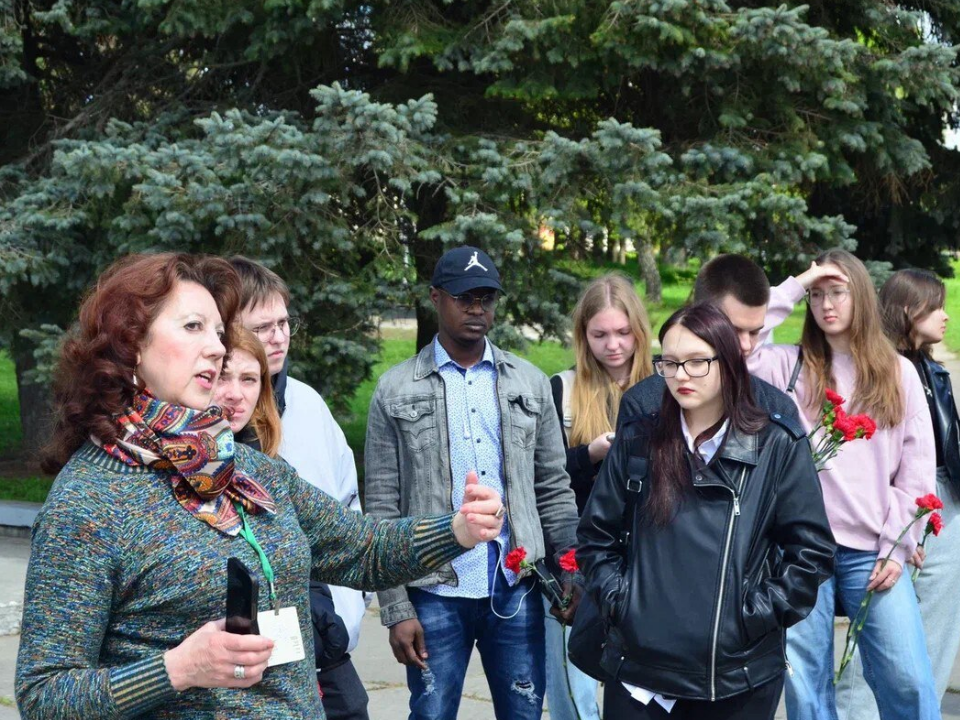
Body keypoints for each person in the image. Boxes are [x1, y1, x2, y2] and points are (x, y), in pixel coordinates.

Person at [15, 253, 505, 720]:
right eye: (193, 327)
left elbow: (363, 548)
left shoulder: (248, 469)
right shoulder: (90, 500)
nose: (216, 346)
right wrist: (179, 669)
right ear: (130, 346)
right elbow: (45, 694)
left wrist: (459, 529)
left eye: (218, 332)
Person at [578, 303, 835, 720]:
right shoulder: (639, 437)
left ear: (729, 362)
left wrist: (749, 617)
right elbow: (595, 537)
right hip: (641, 667)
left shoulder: (776, 443)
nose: (681, 375)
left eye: (697, 362)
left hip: (736, 675)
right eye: (670, 362)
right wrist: (624, 604)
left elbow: (811, 553)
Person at [364, 245, 582, 720]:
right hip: (433, 590)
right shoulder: (396, 388)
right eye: (464, 297)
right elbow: (381, 507)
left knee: (524, 711)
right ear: (435, 298)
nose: (477, 308)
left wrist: (570, 566)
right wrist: (396, 608)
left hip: (516, 584)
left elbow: (552, 486)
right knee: (431, 713)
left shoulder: (528, 382)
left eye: (486, 297)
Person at [746, 249, 939, 720]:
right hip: (797, 552)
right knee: (806, 692)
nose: (825, 304)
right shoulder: (784, 366)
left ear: (862, 298)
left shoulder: (898, 372)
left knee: (908, 679)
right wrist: (797, 281)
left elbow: (916, 470)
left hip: (870, 551)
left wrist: (898, 545)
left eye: (837, 292)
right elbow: (732, 349)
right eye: (816, 295)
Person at [228, 256, 370, 720]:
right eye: (263, 325)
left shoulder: (307, 404)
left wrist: (347, 612)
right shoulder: (213, 423)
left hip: (324, 638)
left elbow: (348, 506)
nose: (279, 336)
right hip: (249, 657)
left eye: (284, 322)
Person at [836, 269, 960, 719]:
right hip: (893, 509)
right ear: (909, 309)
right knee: (880, 630)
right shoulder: (877, 370)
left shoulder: (934, 369)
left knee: (937, 628)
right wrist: (900, 529)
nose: (946, 316)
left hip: (942, 503)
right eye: (936, 305)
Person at [213, 329, 358, 703]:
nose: (235, 394)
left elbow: (353, 541)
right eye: (223, 377)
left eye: (249, 380)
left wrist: (457, 529)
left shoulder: (270, 469)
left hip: (301, 656)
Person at [546, 273, 653, 720]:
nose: (613, 345)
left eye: (623, 332)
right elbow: (546, 476)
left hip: (648, 559)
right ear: (583, 336)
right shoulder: (564, 389)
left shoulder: (667, 379)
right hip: (579, 557)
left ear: (639, 331)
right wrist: (590, 454)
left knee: (644, 689)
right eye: (600, 334)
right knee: (574, 689)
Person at [617, 254, 799, 429]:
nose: (746, 345)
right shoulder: (642, 406)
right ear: (698, 316)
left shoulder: (778, 409)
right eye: (733, 330)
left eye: (754, 332)